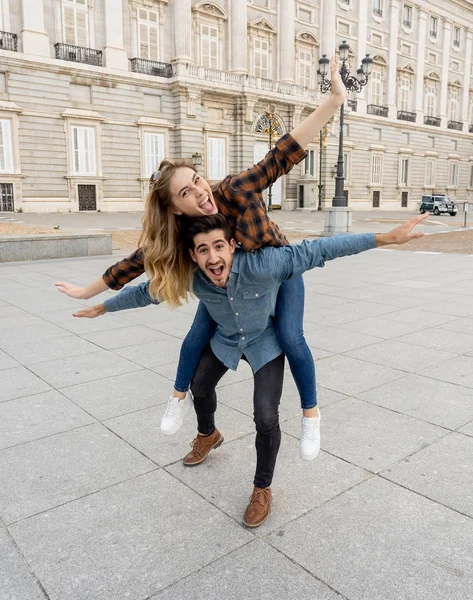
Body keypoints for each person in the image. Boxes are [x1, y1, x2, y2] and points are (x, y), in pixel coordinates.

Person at [55, 57, 347, 462]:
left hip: (277, 274)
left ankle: (311, 415)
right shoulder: (179, 236)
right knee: (195, 341)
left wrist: (333, 100)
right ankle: (201, 426)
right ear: (175, 208)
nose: (199, 193)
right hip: (224, 284)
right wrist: (89, 294)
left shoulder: (233, 191)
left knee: (293, 338)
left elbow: (282, 154)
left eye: (196, 180)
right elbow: (137, 265)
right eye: (187, 193)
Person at [72, 212, 427, 528]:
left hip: (265, 341)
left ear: (231, 246)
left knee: (266, 416)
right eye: (203, 250)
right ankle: (208, 434)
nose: (213, 258)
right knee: (200, 385)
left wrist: (386, 238)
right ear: (193, 256)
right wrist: (101, 308)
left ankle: (262, 488)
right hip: (226, 339)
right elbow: (147, 293)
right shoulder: (193, 277)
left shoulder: (263, 265)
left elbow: (320, 250)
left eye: (218, 247)